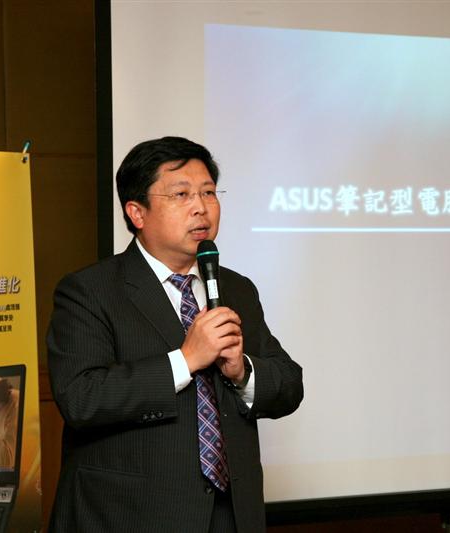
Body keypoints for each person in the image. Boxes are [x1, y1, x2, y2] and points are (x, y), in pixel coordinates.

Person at [46, 136, 304, 532]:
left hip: (231, 514)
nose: (201, 207)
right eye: (181, 195)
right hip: (133, 516)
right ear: (137, 212)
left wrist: (242, 371)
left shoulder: (236, 288)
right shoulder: (89, 291)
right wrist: (184, 360)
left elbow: (288, 385)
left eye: (208, 193)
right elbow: (81, 398)